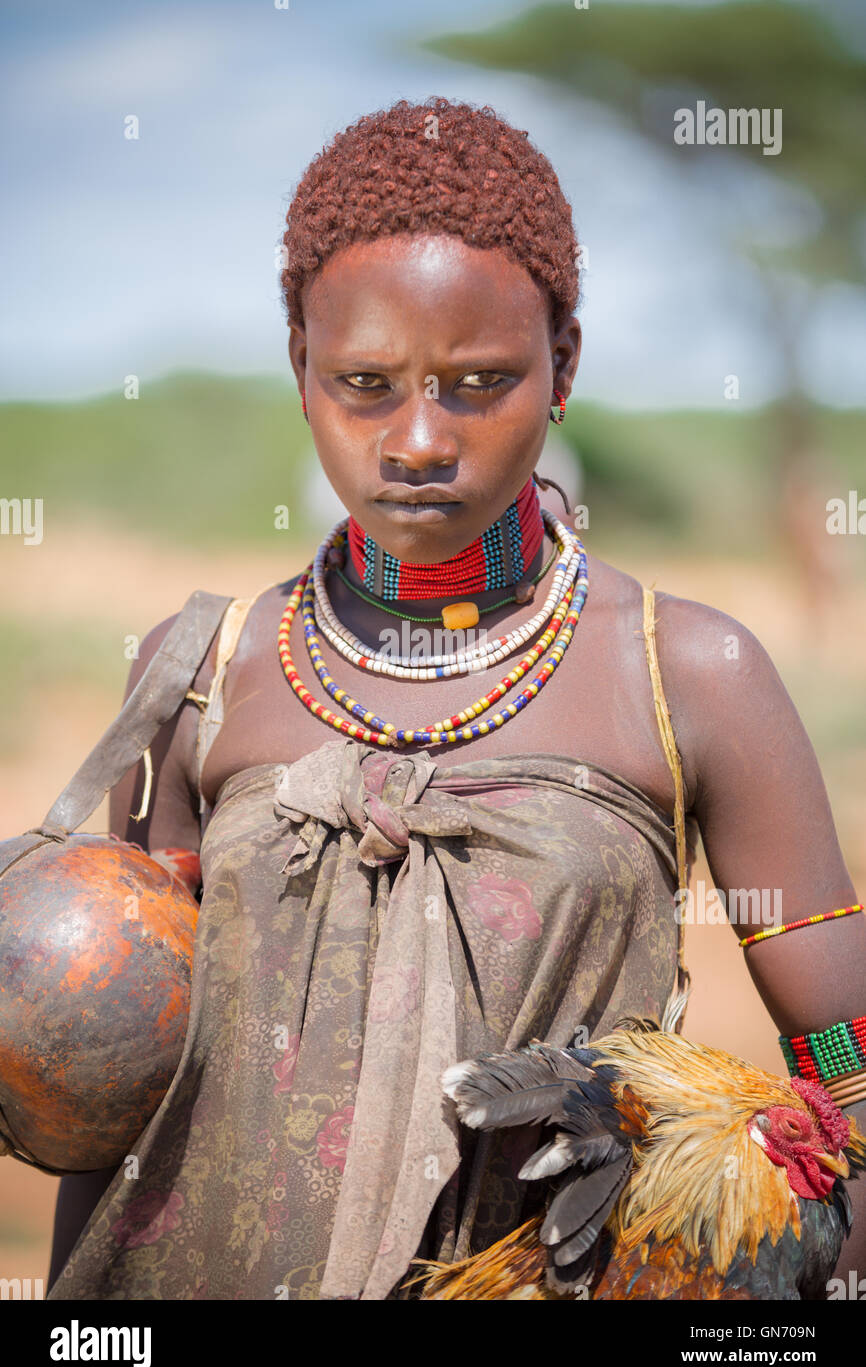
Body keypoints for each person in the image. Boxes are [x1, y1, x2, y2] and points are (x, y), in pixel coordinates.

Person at [47, 96, 865, 1300]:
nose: (418, 438)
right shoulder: (204, 671)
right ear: (299, 369)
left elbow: (845, 1061)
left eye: (477, 383)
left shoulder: (683, 671)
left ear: (563, 365)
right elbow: (115, 1093)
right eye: (363, 383)